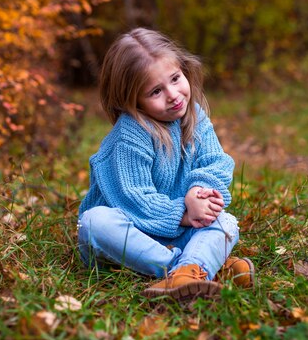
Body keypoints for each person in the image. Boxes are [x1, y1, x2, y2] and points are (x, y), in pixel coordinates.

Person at [77, 28, 255, 299]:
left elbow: (214, 161)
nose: (173, 94)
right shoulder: (130, 134)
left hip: (175, 230)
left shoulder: (193, 116)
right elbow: (134, 199)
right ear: (131, 99)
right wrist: (185, 213)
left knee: (226, 221)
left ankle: (190, 271)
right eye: (156, 91)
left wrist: (199, 192)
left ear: (185, 71)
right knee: (94, 222)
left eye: (175, 78)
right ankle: (189, 269)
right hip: (131, 235)